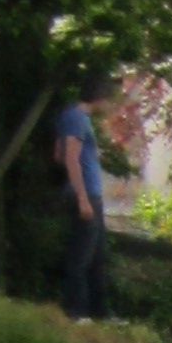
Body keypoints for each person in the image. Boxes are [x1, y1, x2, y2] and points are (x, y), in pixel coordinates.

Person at [52, 83, 112, 320]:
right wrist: (82, 199)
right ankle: (75, 311)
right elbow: (69, 158)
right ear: (100, 97)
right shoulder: (77, 118)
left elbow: (58, 154)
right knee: (81, 256)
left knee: (97, 256)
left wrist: (92, 157)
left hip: (91, 193)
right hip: (86, 193)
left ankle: (100, 313)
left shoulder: (73, 118)